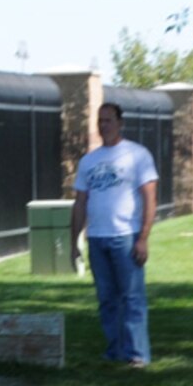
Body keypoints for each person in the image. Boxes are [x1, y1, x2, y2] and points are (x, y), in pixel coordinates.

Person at [69, 101, 159, 365]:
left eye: (108, 120)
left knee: (132, 297)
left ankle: (137, 354)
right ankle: (115, 351)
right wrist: (75, 240)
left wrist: (143, 237)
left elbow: (150, 197)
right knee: (107, 299)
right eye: (100, 121)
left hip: (126, 235)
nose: (103, 125)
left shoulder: (137, 155)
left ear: (120, 123)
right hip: (97, 238)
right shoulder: (89, 161)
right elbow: (80, 202)